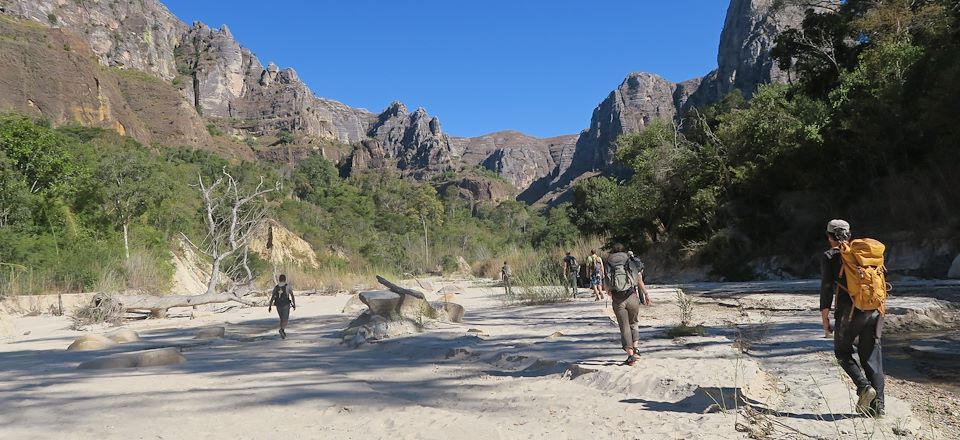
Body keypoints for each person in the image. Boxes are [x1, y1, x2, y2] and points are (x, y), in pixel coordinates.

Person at [820, 219, 885, 417]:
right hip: (875, 310)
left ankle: (864, 387)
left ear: (829, 236)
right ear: (849, 234)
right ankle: (879, 408)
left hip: (849, 313)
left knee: (842, 352)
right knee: (872, 357)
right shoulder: (866, 253)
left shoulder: (830, 256)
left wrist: (825, 319)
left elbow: (826, 288)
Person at [605, 244, 644, 366]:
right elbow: (637, 277)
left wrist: (610, 292)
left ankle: (630, 356)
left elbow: (606, 280)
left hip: (618, 298)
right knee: (634, 323)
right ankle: (636, 348)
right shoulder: (628, 258)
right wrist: (645, 294)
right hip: (631, 295)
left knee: (624, 327)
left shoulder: (609, 261)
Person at [268, 274, 296, 339]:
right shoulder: (287, 286)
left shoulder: (276, 287)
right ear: (285, 279)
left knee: (281, 318)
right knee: (285, 319)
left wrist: (270, 306)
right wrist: (294, 304)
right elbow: (292, 295)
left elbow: (273, 297)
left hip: (278, 304)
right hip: (285, 304)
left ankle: (282, 332)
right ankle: (282, 330)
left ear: (279, 279)